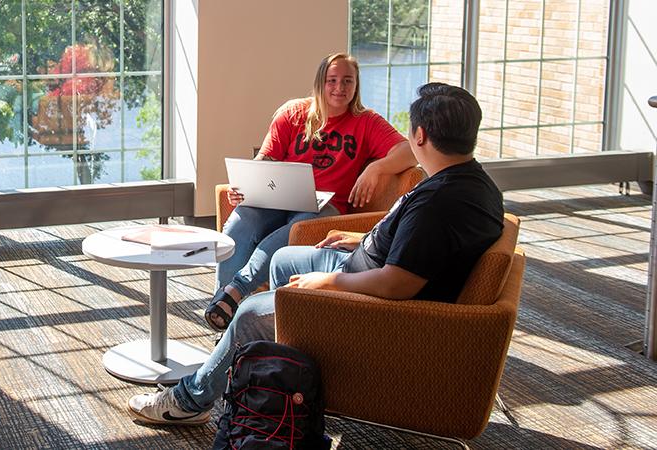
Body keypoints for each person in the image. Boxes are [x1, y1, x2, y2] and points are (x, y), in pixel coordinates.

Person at [128, 82, 505, 425]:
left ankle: (191, 400)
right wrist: (362, 237)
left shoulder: (437, 204)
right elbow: (421, 247)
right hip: (364, 266)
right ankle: (272, 372)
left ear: (420, 135)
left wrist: (328, 282)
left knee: (249, 313)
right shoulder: (473, 182)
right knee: (282, 258)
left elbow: (397, 284)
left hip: (376, 309)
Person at [205, 52, 416, 331]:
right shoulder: (293, 113)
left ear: (356, 85)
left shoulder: (366, 122)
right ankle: (226, 314)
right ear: (320, 82)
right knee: (238, 226)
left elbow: (409, 151)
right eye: (332, 80)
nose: (339, 88)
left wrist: (375, 168)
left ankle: (233, 295)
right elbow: (266, 160)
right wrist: (244, 186)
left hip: (325, 205)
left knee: (286, 236)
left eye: (347, 81)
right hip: (278, 196)